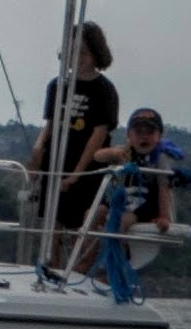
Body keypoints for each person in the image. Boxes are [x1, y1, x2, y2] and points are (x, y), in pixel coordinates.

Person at [27, 21, 119, 260]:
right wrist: (37, 152)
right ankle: (50, 264)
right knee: (53, 220)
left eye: (83, 53)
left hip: (87, 163)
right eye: (72, 52)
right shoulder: (57, 85)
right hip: (57, 157)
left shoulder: (104, 90)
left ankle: (80, 267)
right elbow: (50, 124)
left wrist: (77, 174)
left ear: (95, 53)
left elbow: (99, 134)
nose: (77, 58)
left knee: (82, 219)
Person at [72, 108, 183, 272]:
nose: (144, 136)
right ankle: (86, 260)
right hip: (120, 201)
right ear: (129, 136)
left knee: (121, 222)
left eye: (150, 132)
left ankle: (115, 267)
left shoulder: (160, 159)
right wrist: (114, 152)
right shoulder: (124, 152)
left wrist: (164, 217)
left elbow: (163, 189)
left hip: (143, 209)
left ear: (159, 136)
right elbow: (97, 156)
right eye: (138, 132)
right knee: (91, 214)